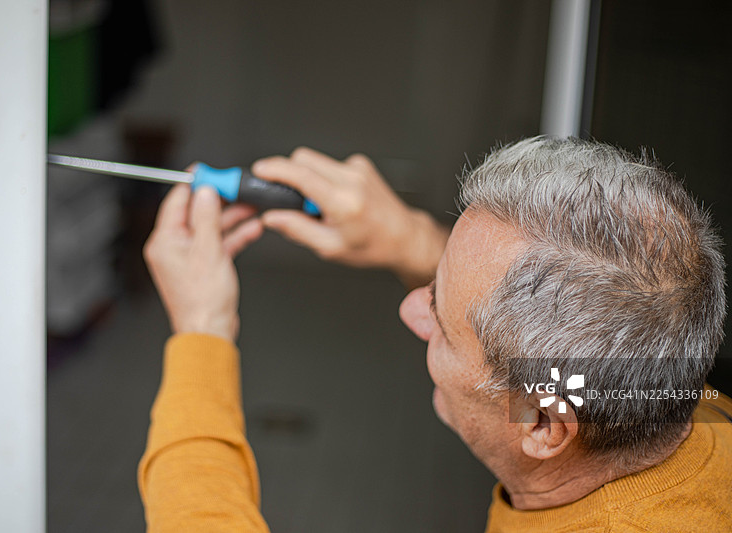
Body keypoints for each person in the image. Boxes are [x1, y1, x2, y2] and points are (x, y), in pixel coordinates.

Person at [138, 137, 732, 532]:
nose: (409, 310)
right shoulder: (669, 387)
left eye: (439, 320)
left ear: (544, 425)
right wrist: (407, 237)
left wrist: (201, 331)